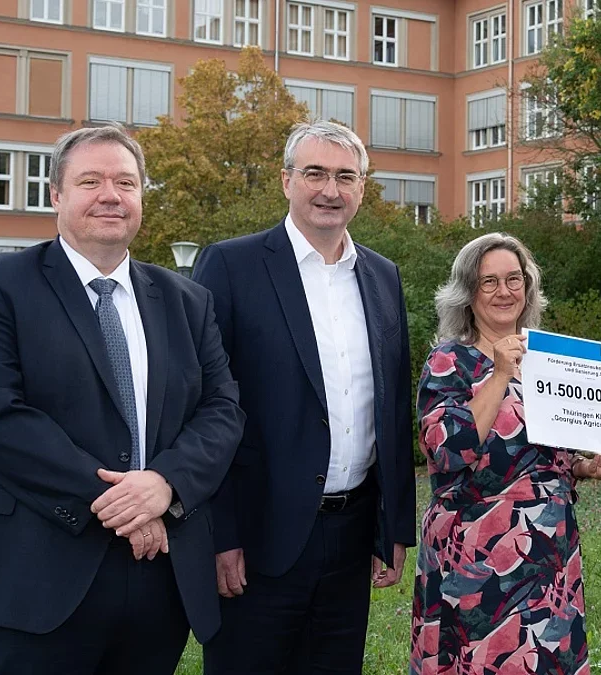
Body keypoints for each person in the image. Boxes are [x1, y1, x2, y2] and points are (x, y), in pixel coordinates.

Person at [0, 124, 245, 675]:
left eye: (126, 182)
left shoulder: (188, 300)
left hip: (155, 579)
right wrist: (123, 504)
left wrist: (164, 484)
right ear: (56, 196)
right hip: (26, 576)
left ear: (142, 196)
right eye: (90, 181)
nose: (111, 196)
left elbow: (222, 409)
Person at [193, 120, 416, 674]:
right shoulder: (231, 265)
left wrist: (394, 525)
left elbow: (389, 408)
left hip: (351, 533)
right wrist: (220, 534)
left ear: (363, 187)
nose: (330, 190)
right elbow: (201, 404)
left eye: (345, 176)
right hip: (257, 539)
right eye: (315, 173)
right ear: (286, 180)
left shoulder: (382, 276)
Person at [410, 232, 601, 674]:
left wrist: (587, 467)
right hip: (475, 555)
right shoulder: (448, 361)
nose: (504, 291)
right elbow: (448, 450)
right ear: (467, 293)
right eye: (489, 282)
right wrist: (500, 374)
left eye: (513, 279)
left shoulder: (548, 358)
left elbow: (546, 457)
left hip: (547, 551)